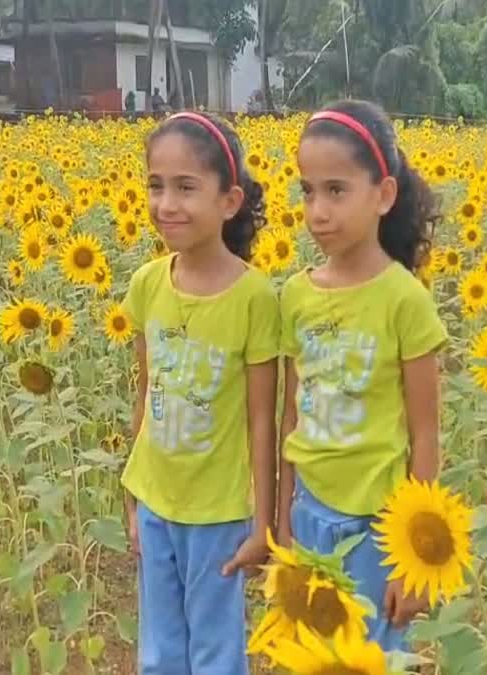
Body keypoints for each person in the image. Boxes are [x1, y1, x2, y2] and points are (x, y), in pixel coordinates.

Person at [276, 99, 448, 651]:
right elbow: (291, 417)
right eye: (308, 190)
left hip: (377, 527)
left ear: (384, 194)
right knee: (312, 655)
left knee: (371, 659)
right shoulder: (296, 296)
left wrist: (414, 559)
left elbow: (425, 435)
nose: (317, 211)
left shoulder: (404, 300)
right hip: (310, 515)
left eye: (336, 190)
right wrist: (283, 521)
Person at [122, 111, 279, 675]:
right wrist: (131, 493)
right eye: (156, 185)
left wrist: (264, 522)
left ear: (228, 200)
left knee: (215, 652)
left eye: (186, 187)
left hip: (217, 511)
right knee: (160, 652)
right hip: (157, 497)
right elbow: (146, 393)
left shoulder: (255, 299)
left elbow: (264, 420)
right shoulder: (147, 284)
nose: (167, 204)